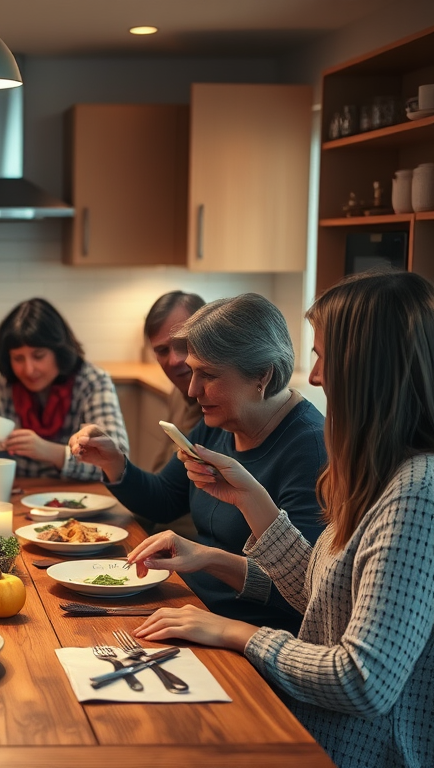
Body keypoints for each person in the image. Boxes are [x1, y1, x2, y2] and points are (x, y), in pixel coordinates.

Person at [128, 271, 434, 768]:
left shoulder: (417, 493)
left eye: (321, 357)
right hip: (308, 721)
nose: (313, 376)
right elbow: (319, 595)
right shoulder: (379, 470)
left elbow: (362, 681)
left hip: (350, 751)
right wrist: (249, 496)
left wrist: (235, 633)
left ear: (367, 367)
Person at [69, 293, 326, 633]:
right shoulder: (218, 422)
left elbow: (300, 590)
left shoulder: (311, 448)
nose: (192, 390)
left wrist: (208, 557)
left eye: (208, 375)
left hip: (243, 631)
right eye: (192, 372)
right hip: (190, 604)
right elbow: (164, 500)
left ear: (262, 376)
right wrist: (115, 462)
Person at [0, 298, 129, 481]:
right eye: (18, 359)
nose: (28, 370)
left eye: (38, 356)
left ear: (59, 352)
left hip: (78, 499)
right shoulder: (1, 383)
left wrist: (51, 452)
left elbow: (119, 463)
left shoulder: (92, 382)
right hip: (15, 498)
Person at [144, 290, 205, 472]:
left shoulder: (228, 407)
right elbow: (161, 472)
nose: (174, 360)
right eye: (162, 350)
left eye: (183, 344)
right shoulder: (177, 394)